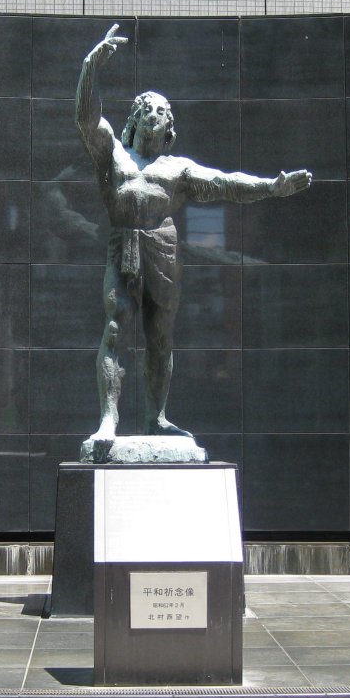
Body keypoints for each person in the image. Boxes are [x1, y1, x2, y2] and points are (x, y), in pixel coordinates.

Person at [76, 24, 311, 452]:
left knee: (160, 336)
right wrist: (92, 65)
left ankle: (156, 418)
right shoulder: (112, 152)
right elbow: (86, 119)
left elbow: (226, 183)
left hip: (162, 249)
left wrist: (272, 187)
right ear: (135, 116)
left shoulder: (178, 169)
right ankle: (108, 420)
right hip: (123, 244)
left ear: (169, 126)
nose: (155, 114)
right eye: (149, 108)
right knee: (115, 324)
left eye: (163, 111)